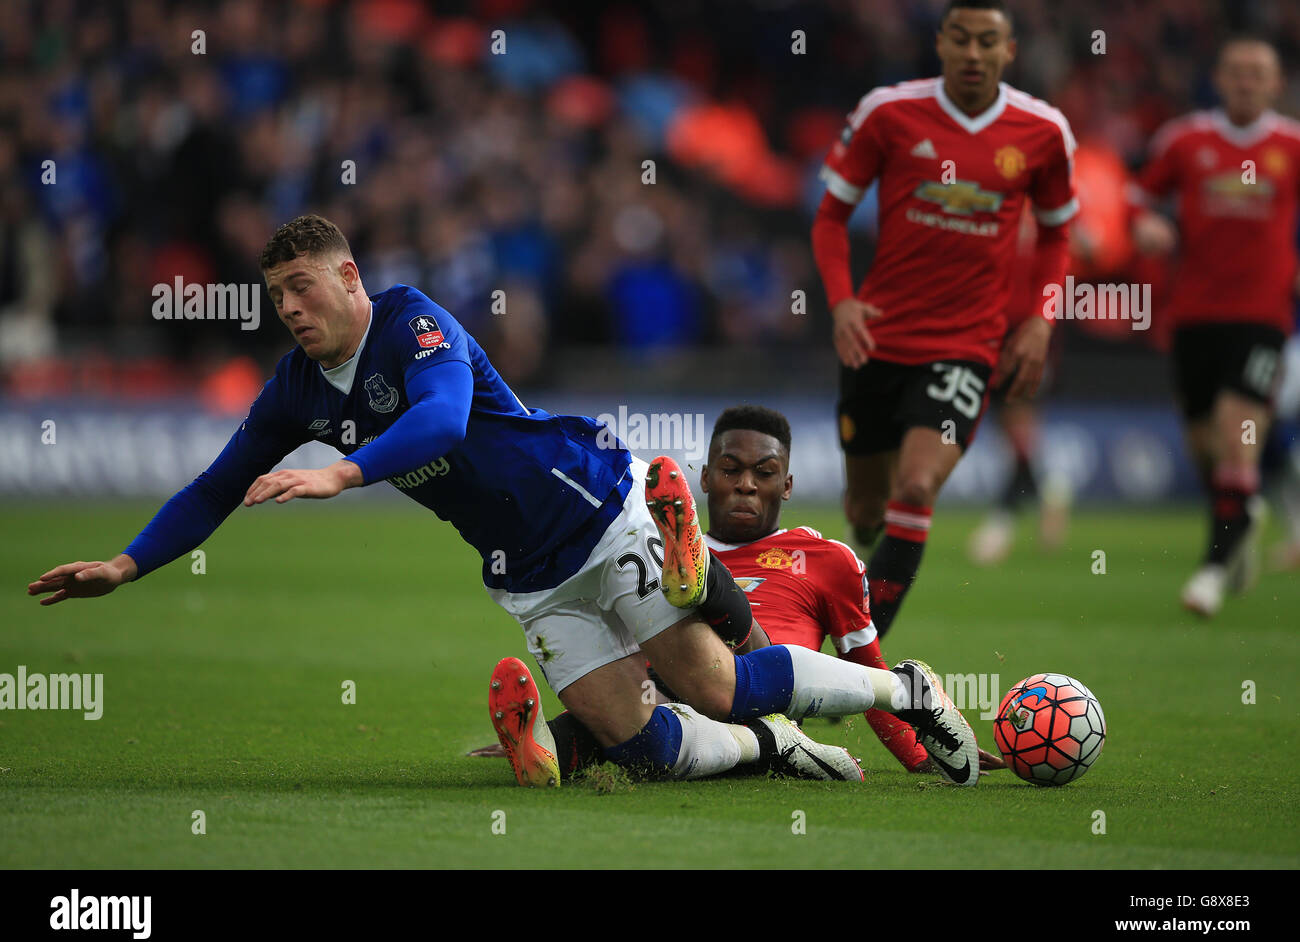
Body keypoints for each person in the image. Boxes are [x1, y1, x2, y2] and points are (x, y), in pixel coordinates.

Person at [27, 214, 979, 787]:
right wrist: (124, 563)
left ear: (348, 276)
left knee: (711, 684)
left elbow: (441, 423)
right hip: (522, 570)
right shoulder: (296, 388)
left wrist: (340, 473)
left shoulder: (414, 323)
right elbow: (214, 485)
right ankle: (775, 752)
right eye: (278, 297)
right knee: (639, 743)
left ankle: (907, 690)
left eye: (303, 288)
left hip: (588, 507)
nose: (291, 309)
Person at [478, 405, 1006, 782]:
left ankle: (703, 584)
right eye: (731, 471)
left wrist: (919, 755)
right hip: (672, 688)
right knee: (632, 734)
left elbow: (867, 669)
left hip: (763, 684)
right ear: (705, 479)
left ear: (788, 486)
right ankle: (545, 746)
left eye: (765, 473)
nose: (746, 485)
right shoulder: (643, 542)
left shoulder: (828, 560)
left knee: (703, 668)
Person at [811, 0, 1076, 638]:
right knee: (867, 508)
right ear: (941, 43)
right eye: (961, 38)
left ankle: (858, 661)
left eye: (989, 41)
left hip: (967, 344)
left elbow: (1057, 236)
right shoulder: (888, 111)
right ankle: (857, 560)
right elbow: (830, 219)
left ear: (1010, 50)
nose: (974, 53)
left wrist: (1041, 320)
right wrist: (843, 301)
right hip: (877, 336)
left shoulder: (1043, 131)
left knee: (919, 484)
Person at [1128, 36, 1300, 616]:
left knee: (1237, 434)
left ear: (1276, 84)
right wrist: (1146, 225)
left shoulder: (1291, 146)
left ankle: (1210, 571)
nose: (1247, 81)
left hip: (1263, 320)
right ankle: (1239, 523)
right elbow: (1137, 197)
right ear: (1219, 79)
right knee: (1205, 448)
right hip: (1195, 317)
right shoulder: (1186, 140)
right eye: (1236, 71)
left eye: (1259, 73)